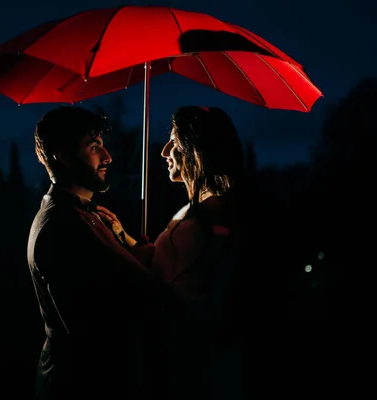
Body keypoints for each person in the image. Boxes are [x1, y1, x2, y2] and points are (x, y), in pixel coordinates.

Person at [27, 106, 182, 400]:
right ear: (63, 155)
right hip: (86, 384)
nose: (107, 157)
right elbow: (138, 294)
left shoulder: (82, 215)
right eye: (94, 147)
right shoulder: (67, 225)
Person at [98, 106, 248, 399]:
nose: (165, 151)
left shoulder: (203, 221)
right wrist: (123, 235)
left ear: (197, 150)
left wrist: (111, 247)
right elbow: (170, 266)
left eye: (175, 142)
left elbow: (163, 292)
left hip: (192, 365)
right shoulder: (205, 212)